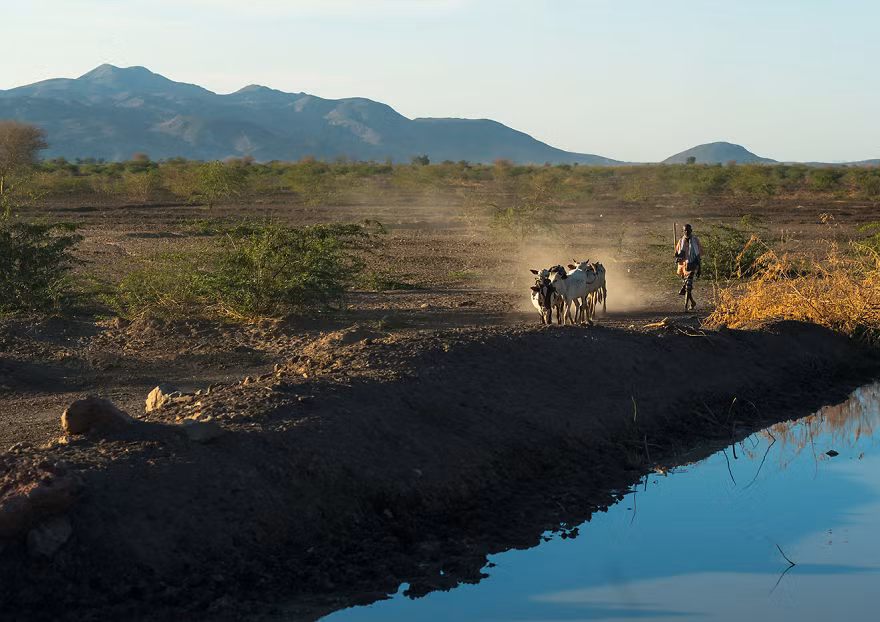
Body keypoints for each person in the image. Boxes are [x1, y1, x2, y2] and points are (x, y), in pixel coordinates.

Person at [674, 223, 702, 311]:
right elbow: (676, 254)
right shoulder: (680, 241)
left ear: (691, 230)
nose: (687, 231)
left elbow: (699, 254)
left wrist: (699, 268)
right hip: (683, 267)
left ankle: (685, 306)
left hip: (692, 265)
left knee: (688, 287)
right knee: (687, 287)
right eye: (685, 230)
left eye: (688, 230)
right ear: (683, 231)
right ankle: (692, 302)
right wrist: (677, 258)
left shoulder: (695, 241)